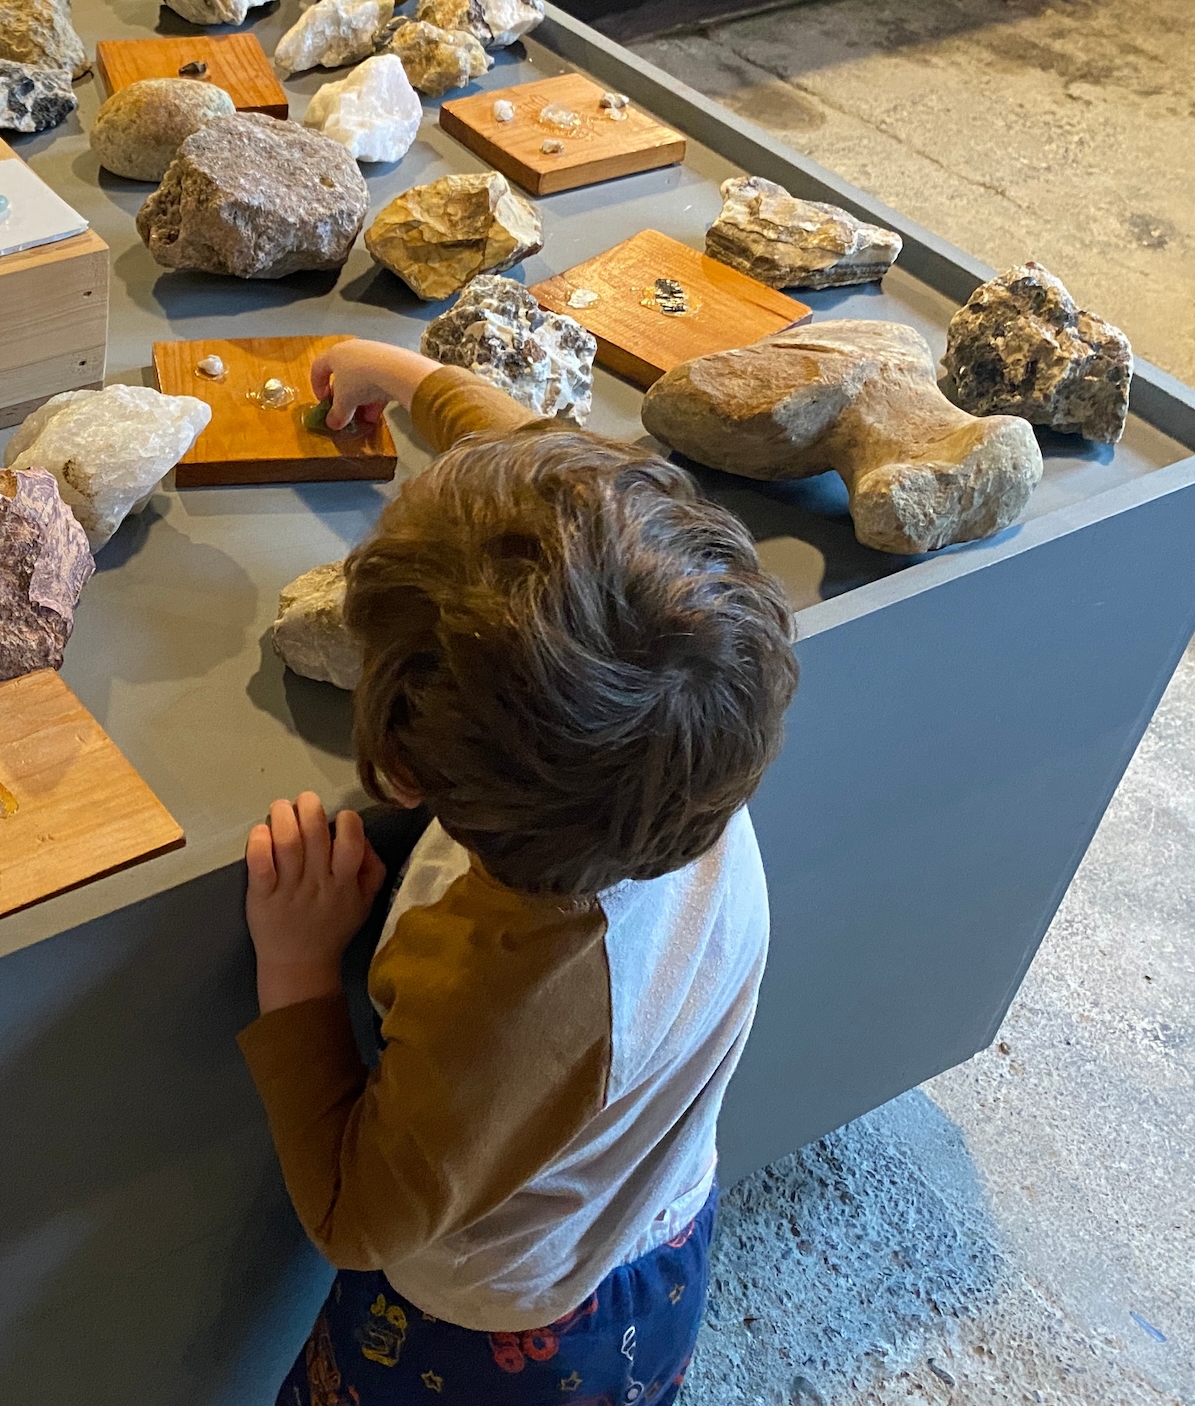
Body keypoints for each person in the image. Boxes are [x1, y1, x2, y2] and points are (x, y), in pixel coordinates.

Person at [239, 340, 799, 1406]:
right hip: (656, 1227)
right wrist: (401, 378)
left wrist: (299, 967)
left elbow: (356, 1216)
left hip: (496, 1337)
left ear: (400, 768)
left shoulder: (503, 991)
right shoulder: (685, 713)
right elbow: (559, 488)